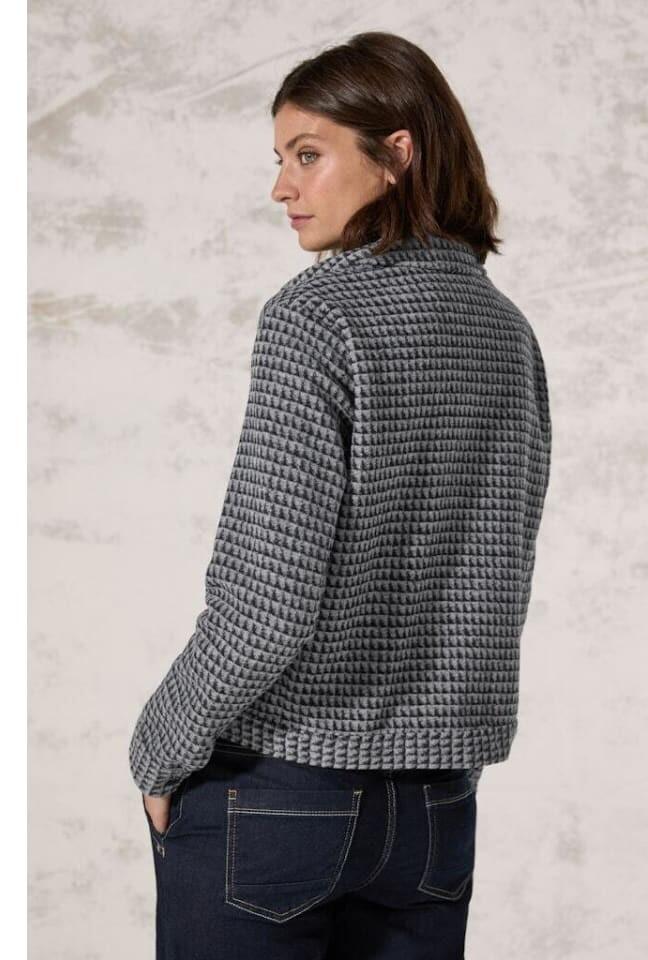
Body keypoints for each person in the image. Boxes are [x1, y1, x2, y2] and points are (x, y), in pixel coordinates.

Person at [129, 31, 552, 959]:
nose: (282, 187)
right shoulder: (506, 331)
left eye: (308, 155)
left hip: (280, 795)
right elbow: (499, 573)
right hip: (436, 810)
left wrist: (159, 745)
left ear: (396, 153)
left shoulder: (318, 315)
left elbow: (268, 601)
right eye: (281, 159)